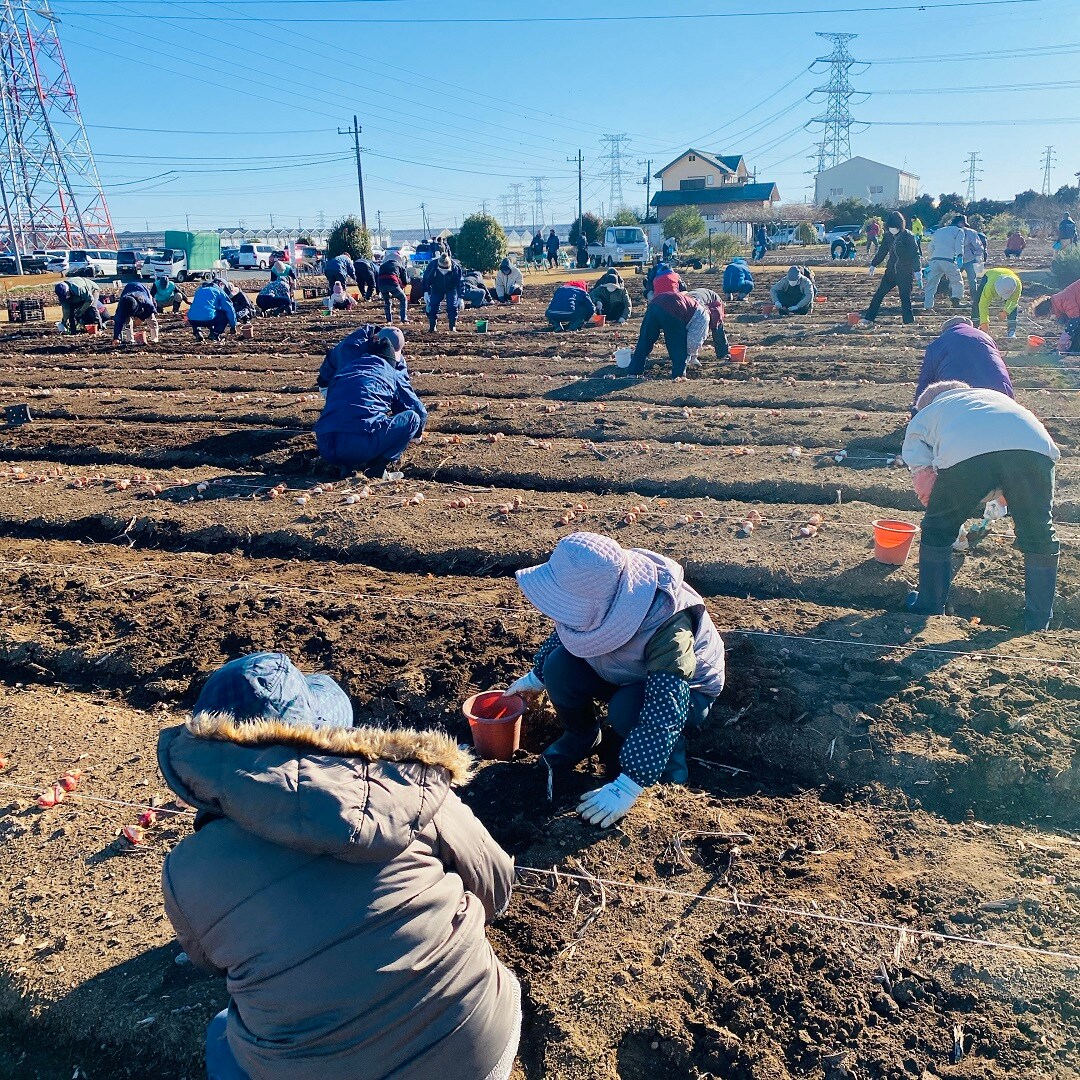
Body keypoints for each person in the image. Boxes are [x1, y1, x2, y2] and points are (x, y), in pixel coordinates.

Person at [158, 651, 519, 1080]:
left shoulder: (186, 871)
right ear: (325, 736)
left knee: (223, 1037)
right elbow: (496, 888)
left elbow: (209, 962)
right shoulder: (413, 795)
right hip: (476, 1049)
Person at [505, 532, 725, 825]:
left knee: (626, 709)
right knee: (559, 667)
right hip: (624, 668)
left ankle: (671, 775)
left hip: (686, 692)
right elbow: (569, 632)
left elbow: (666, 707)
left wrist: (630, 784)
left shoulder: (668, 625)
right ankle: (582, 735)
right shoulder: (599, 591)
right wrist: (536, 677)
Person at [902, 381, 1059, 631]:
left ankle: (929, 605)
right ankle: (1038, 621)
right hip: (1036, 448)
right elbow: (1008, 455)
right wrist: (1012, 495)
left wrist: (945, 513)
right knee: (1039, 532)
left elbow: (924, 479)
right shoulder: (994, 397)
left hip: (968, 452)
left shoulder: (927, 413)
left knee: (937, 529)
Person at [315, 325, 427, 477]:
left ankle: (345, 466)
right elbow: (410, 405)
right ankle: (376, 469)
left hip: (325, 446)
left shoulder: (347, 367)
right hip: (357, 445)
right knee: (412, 418)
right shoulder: (388, 371)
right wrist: (416, 432)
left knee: (346, 404)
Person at [913, 317, 1014, 409]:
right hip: (998, 394)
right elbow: (999, 369)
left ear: (945, 330)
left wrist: (917, 413)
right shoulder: (987, 338)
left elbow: (925, 382)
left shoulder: (937, 344)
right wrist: (1010, 403)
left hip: (957, 399)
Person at [857, 210, 920, 328]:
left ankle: (908, 322)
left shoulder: (908, 236)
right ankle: (868, 318)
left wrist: (917, 270)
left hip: (905, 273)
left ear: (900, 226)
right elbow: (882, 252)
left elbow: (915, 254)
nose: (892, 229)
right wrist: (874, 264)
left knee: (905, 297)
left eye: (894, 227)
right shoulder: (887, 236)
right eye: (890, 227)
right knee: (879, 294)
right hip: (890, 272)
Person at [626, 291, 706, 379]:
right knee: (678, 345)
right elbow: (693, 342)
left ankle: (633, 372)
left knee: (645, 339)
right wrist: (690, 356)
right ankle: (678, 376)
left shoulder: (691, 303)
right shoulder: (704, 315)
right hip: (674, 307)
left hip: (655, 303)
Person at [923, 216, 967, 312]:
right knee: (956, 280)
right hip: (948, 260)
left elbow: (931, 246)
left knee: (931, 283)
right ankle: (956, 300)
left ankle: (928, 305)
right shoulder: (959, 231)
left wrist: (931, 259)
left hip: (935, 259)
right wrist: (960, 256)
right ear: (960, 223)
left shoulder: (939, 231)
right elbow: (959, 245)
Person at [972, 266, 1021, 339]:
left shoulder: (1017, 286)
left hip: (1008, 275)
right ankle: (975, 326)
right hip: (990, 275)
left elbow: (1014, 301)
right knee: (977, 301)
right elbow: (983, 305)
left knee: (1014, 308)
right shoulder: (990, 286)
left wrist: (1006, 311)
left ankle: (1011, 331)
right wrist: (984, 322)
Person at [1033, 278, 1080, 353]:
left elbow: (1075, 320)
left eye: (1049, 315)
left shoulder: (1064, 300)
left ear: (1050, 310)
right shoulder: (1059, 300)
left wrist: (1063, 342)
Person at [422, 251, 464, 331]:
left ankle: (452, 326)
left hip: (451, 288)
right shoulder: (432, 265)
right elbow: (426, 279)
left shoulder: (455, 267)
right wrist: (426, 292)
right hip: (437, 288)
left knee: (452, 306)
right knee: (433, 305)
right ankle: (432, 326)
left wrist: (460, 297)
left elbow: (460, 283)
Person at [688, 287, 730, 362]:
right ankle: (687, 355)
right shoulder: (684, 304)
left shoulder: (697, 307)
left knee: (716, 326)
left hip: (713, 301)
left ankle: (723, 354)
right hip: (698, 299)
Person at [112, 280, 159, 344]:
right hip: (128, 291)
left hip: (141, 289)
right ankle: (130, 339)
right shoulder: (122, 306)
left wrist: (141, 318)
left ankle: (155, 338)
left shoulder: (145, 301)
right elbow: (118, 321)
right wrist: (116, 337)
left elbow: (151, 309)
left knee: (151, 318)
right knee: (126, 321)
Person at [377, 250, 410, 325]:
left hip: (381, 284)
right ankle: (403, 318)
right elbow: (404, 279)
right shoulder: (399, 265)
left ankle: (389, 319)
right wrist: (404, 284)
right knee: (403, 299)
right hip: (392, 283)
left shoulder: (382, 266)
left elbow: (379, 276)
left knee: (387, 302)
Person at [960, 220, 987, 300]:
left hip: (970, 260)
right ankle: (955, 296)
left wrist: (978, 256)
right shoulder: (953, 232)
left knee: (972, 280)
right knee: (955, 279)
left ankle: (974, 297)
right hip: (958, 260)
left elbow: (979, 246)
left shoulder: (971, 233)